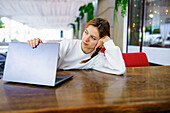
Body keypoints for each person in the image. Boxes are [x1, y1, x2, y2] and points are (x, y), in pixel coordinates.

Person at [27, 18, 126, 75]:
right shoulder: (68, 44)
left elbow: (119, 69)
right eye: (86, 32)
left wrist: (108, 41)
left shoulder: (96, 59)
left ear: (100, 41)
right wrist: (39, 44)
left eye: (93, 38)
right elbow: (44, 61)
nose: (86, 39)